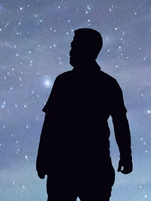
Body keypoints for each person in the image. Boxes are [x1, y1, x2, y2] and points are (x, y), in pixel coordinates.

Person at [36, 28, 132, 200]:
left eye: (75, 47)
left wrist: (43, 158)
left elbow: (50, 123)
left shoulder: (66, 82)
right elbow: (50, 122)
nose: (70, 51)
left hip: (76, 166)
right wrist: (126, 155)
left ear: (88, 49)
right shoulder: (106, 84)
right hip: (83, 165)